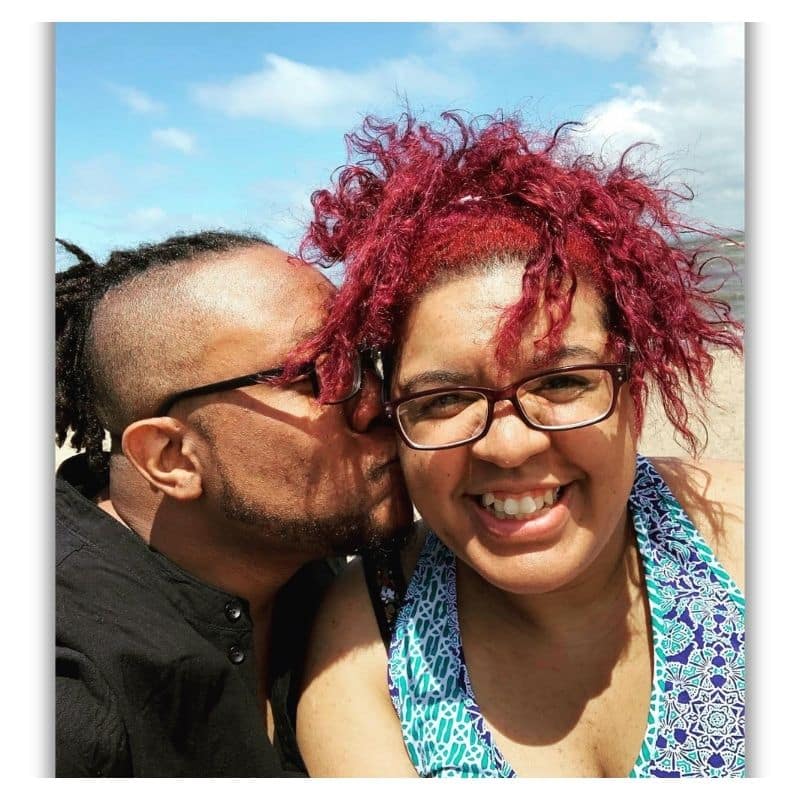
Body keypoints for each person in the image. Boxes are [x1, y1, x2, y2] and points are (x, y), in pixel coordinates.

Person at [295, 113, 745, 778]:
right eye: (443, 400)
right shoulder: (369, 645)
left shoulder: (749, 528)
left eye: (561, 381)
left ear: (634, 393)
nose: (508, 447)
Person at [55, 231, 412, 777]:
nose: (376, 402)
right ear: (172, 458)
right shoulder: (69, 697)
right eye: (315, 376)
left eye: (366, 358)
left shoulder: (318, 570)